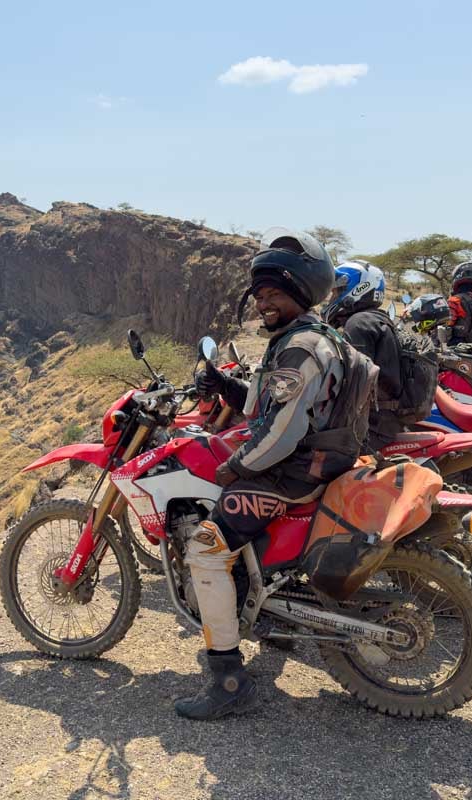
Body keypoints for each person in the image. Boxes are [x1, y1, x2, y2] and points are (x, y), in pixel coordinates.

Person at [178, 228, 375, 721]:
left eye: (273, 293)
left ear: (300, 292)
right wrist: (225, 383)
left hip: (290, 475)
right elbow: (266, 404)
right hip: (312, 463)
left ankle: (227, 678)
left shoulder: (300, 348)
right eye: (259, 293)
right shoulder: (306, 338)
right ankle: (269, 614)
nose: (262, 301)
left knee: (203, 548)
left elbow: (282, 433)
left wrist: (235, 467)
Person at [323, 261, 403, 450]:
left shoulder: (358, 324)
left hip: (371, 427)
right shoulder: (376, 318)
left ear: (358, 288)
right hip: (385, 420)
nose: (332, 297)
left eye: (337, 291)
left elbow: (353, 386)